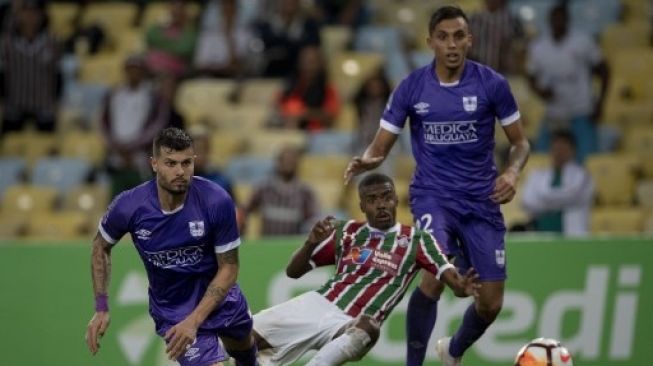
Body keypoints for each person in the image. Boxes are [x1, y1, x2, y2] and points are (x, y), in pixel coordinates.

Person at [344, 6, 531, 366]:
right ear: (430, 41)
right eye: (443, 37)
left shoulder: (492, 84)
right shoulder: (412, 87)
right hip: (434, 197)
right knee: (433, 275)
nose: (452, 44)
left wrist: (512, 173)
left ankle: (453, 351)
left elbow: (521, 144)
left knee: (490, 304)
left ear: (470, 40)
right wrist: (369, 158)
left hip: (481, 200)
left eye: (459, 36)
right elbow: (381, 145)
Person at [252, 173, 480, 366]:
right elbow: (293, 272)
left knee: (369, 326)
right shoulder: (347, 231)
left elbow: (454, 283)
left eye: (386, 197)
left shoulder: (418, 240)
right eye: (372, 199)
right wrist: (310, 243)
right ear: (362, 206)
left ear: (395, 200)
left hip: (352, 323)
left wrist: (463, 286)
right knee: (240, 335)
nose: (381, 204)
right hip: (317, 304)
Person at [85, 128, 258, 366]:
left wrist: (195, 320)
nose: (180, 171)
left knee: (247, 356)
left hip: (221, 300)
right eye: (171, 163)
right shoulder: (129, 206)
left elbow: (229, 268)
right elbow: (100, 247)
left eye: (186, 163)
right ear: (154, 164)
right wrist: (101, 307)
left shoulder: (217, 200)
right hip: (175, 311)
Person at [527, 3, 610, 163]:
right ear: (549, 21)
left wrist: (600, 103)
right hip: (554, 113)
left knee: (587, 160)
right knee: (542, 159)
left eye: (561, 19)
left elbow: (605, 71)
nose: (558, 23)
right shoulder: (539, 47)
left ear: (568, 20)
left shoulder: (582, 41)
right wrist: (541, 92)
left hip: (582, 111)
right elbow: (530, 77)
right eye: (555, 19)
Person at [0, 0, 61, 136]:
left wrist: (56, 102)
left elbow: (58, 76)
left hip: (44, 106)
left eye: (34, 13)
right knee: (11, 149)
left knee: (46, 147)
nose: (30, 17)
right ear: (18, 15)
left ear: (41, 15)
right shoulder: (7, 43)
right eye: (26, 12)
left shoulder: (51, 42)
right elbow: (3, 75)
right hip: (14, 106)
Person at [521, 130, 594, 236]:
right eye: (556, 148)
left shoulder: (582, 176)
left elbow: (573, 197)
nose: (559, 153)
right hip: (541, 234)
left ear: (573, 150)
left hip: (572, 235)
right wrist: (561, 202)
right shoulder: (537, 176)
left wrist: (543, 198)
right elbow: (527, 203)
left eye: (563, 149)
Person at [242, 145, 319, 236]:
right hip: (267, 243)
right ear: (278, 162)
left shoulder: (305, 191)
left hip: (294, 245)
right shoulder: (263, 188)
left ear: (297, 164)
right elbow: (244, 210)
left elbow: (313, 220)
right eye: (285, 160)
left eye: (291, 161)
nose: (288, 163)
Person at [468, 0, 526, 75]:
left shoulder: (512, 20)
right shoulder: (474, 19)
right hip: (478, 72)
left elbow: (520, 46)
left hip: (502, 73)